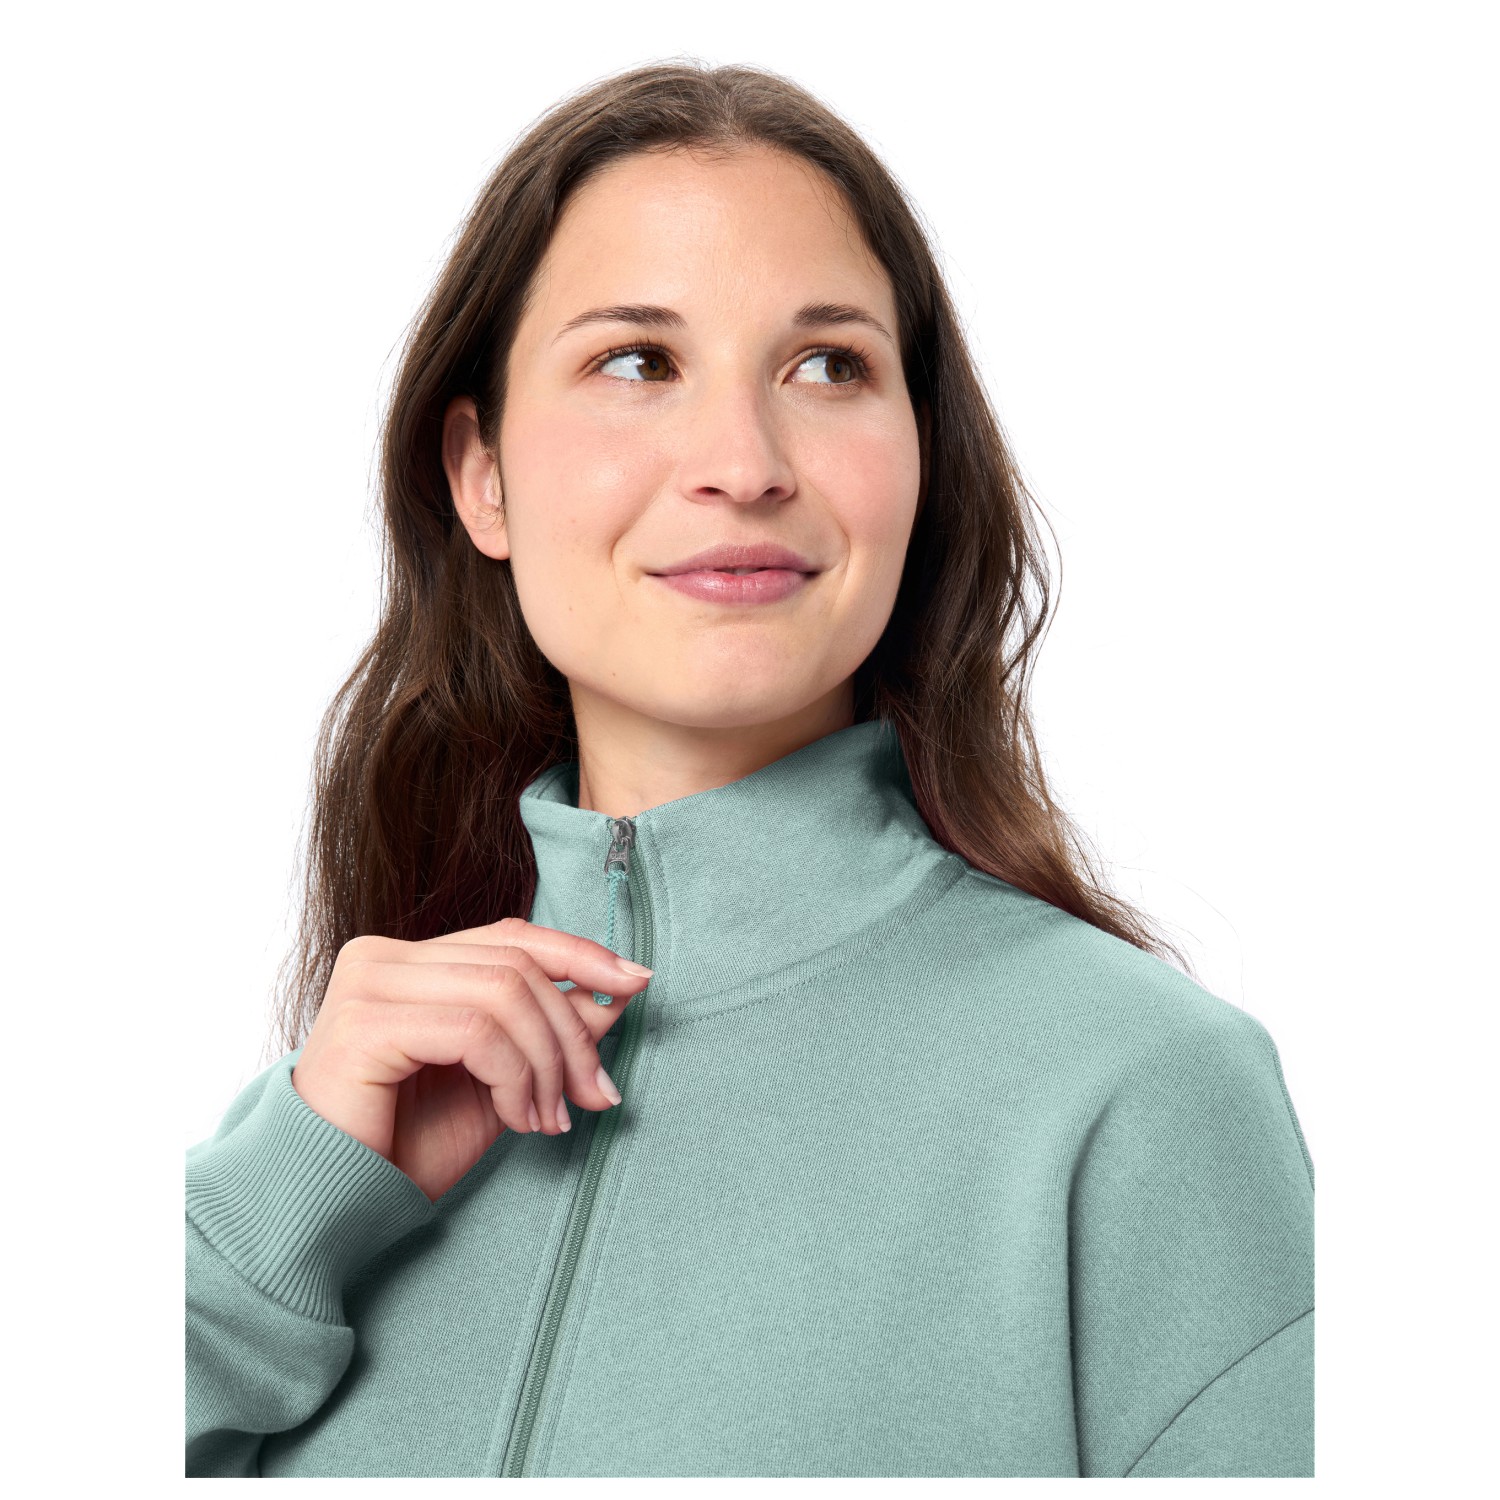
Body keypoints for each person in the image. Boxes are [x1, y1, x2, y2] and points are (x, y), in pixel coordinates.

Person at [185, 60, 1314, 1479]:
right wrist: (275, 1212)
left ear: (920, 460)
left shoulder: (1140, 1094)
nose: (741, 461)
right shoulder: (335, 1128)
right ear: (480, 474)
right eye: (637, 362)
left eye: (828, 365)